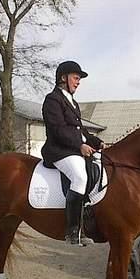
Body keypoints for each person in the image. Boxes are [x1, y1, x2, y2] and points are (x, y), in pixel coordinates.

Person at [41, 60, 105, 246]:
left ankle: (87, 220)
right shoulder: (52, 100)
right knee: (80, 177)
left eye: (79, 79)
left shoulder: (72, 102)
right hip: (59, 150)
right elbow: (58, 129)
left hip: (72, 149)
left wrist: (97, 142)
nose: (78, 82)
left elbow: (80, 130)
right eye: (76, 78)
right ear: (63, 78)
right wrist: (79, 146)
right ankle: (72, 231)